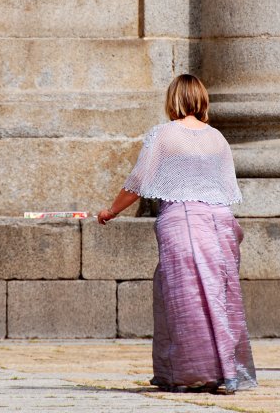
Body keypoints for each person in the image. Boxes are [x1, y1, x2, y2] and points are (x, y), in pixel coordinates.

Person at [97, 74, 257, 395]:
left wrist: (111, 211)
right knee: (220, 297)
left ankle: (195, 374)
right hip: (221, 222)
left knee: (186, 300)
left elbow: (139, 181)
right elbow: (225, 188)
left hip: (184, 220)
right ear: (201, 100)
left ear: (173, 100)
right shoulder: (217, 138)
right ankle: (222, 372)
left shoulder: (164, 135)